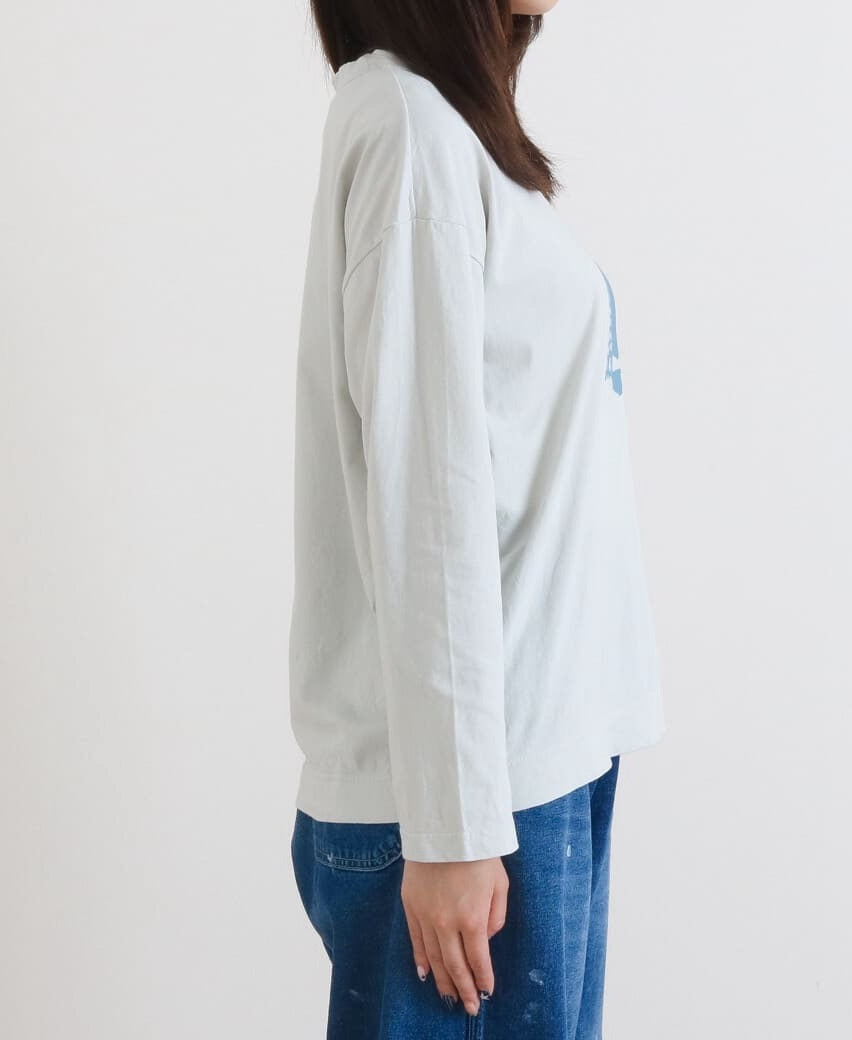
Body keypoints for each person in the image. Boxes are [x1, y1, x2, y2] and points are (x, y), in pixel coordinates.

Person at [288, 2, 666, 1036]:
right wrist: (451, 825)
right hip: (473, 802)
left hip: (529, 764)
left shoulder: (443, 126)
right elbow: (428, 488)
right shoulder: (408, 127)